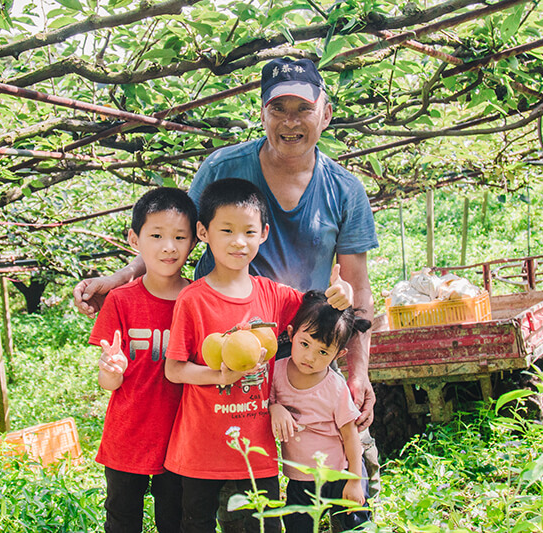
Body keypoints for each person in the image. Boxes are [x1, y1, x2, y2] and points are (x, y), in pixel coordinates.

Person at [74, 57, 381, 493]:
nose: (290, 122)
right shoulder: (224, 168)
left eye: (303, 109)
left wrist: (358, 370)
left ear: (325, 113)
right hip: (224, 343)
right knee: (236, 472)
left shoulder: (344, 189)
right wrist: (124, 275)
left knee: (330, 460)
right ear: (261, 113)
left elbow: (358, 287)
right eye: (278, 109)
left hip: (307, 343)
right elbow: (177, 233)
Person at [162, 178, 354, 533]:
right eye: (227, 230)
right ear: (204, 232)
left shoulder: (274, 295)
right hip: (200, 449)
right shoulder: (193, 299)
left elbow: (320, 311)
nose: (239, 241)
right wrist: (218, 376)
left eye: (249, 231)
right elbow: (175, 370)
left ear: (264, 233)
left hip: (257, 451)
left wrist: (342, 292)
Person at [89, 186, 197, 533]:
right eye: (157, 235)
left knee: (175, 522)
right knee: (121, 522)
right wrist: (112, 371)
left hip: (181, 442)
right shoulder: (121, 301)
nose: (169, 246)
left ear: (195, 241)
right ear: (135, 239)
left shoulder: (199, 299)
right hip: (128, 437)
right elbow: (109, 382)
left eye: (180, 237)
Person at [270, 290, 372, 532]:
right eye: (305, 344)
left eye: (323, 352)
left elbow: (350, 436)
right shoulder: (275, 373)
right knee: (298, 526)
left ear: (339, 355)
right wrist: (275, 408)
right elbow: (265, 402)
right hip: (300, 479)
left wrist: (355, 480)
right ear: (291, 334)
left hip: (340, 473)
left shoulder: (334, 387)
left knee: (355, 525)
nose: (310, 357)